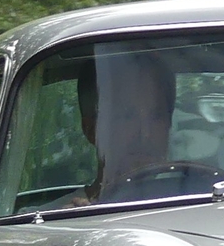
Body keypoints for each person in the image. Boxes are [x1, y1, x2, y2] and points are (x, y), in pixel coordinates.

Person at [76, 52, 214, 202]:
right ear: (91, 130)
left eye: (156, 116)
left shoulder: (204, 202)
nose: (145, 133)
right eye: (127, 116)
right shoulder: (60, 219)